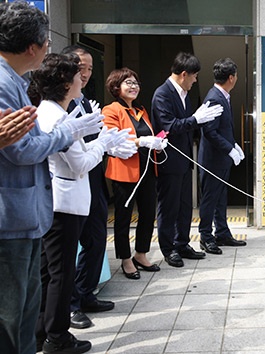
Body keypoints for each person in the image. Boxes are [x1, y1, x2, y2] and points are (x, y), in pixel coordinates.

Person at [0, 2, 102, 353]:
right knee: (13, 317)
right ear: (33, 46)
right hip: (13, 215)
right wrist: (70, 132)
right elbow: (22, 149)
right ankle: (55, 337)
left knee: (27, 311)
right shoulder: (4, 84)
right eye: (46, 41)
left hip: (29, 212)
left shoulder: (17, 82)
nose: (47, 47)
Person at [31, 53, 129, 354]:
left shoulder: (50, 110)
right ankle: (58, 336)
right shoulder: (57, 116)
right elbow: (80, 164)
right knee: (61, 273)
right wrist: (103, 143)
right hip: (65, 203)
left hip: (58, 201)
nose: (82, 78)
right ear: (64, 82)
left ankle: (41, 332)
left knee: (49, 272)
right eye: (77, 74)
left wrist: (89, 135)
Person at [62, 45, 123, 330]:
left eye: (88, 68)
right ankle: (70, 305)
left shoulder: (84, 100)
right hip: (72, 182)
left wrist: (110, 143)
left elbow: (96, 136)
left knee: (97, 238)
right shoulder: (60, 103)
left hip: (94, 181)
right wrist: (101, 144)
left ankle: (85, 292)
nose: (84, 73)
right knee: (69, 248)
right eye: (79, 67)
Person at [152, 52, 222, 267]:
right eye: (194, 76)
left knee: (184, 206)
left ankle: (182, 242)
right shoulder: (162, 94)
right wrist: (194, 119)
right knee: (169, 206)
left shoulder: (184, 94)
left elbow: (188, 124)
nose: (195, 80)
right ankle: (168, 247)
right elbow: (169, 126)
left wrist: (198, 120)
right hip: (169, 161)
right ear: (184, 74)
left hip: (184, 160)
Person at [103, 68, 166, 279]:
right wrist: (141, 141)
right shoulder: (111, 110)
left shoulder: (141, 110)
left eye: (135, 83)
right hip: (124, 172)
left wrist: (157, 142)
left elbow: (148, 134)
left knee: (148, 214)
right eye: (128, 83)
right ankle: (125, 259)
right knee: (123, 217)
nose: (133, 87)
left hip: (147, 170)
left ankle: (141, 253)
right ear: (116, 87)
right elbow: (113, 140)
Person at [198, 58, 247, 255]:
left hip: (221, 158)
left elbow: (222, 129)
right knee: (210, 199)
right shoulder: (214, 98)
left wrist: (233, 144)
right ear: (231, 78)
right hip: (213, 160)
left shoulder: (222, 95)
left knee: (220, 197)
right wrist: (229, 148)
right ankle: (205, 237)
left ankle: (222, 232)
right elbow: (210, 131)